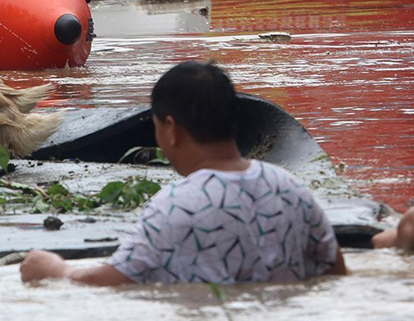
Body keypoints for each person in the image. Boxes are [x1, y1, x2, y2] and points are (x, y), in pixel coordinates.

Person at [21, 61, 347, 286]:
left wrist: (56, 270)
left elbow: (113, 282)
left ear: (171, 129)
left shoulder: (177, 206)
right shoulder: (291, 188)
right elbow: (335, 271)